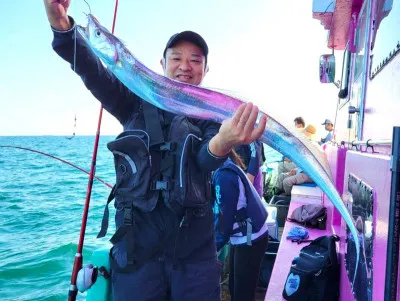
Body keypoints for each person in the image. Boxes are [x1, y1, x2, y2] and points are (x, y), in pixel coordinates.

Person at [43, 1, 267, 301]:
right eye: (176, 57)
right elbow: (91, 70)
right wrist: (62, 27)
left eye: (195, 60)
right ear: (162, 63)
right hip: (137, 255)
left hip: (195, 257)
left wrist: (223, 142)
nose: (185, 66)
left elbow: (204, 160)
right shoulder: (131, 101)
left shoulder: (214, 113)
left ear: (205, 69)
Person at [213, 151, 269, 301]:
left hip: (251, 236)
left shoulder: (223, 176)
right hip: (246, 233)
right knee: (233, 285)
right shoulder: (225, 166)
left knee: (242, 292)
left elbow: (225, 222)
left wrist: (212, 249)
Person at [275, 125, 317, 195]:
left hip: (309, 175)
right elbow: (304, 165)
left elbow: (309, 169)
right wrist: (296, 170)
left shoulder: (311, 148)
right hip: (303, 171)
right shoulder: (306, 147)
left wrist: (297, 170)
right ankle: (278, 193)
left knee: (286, 182)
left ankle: (288, 198)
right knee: (281, 176)